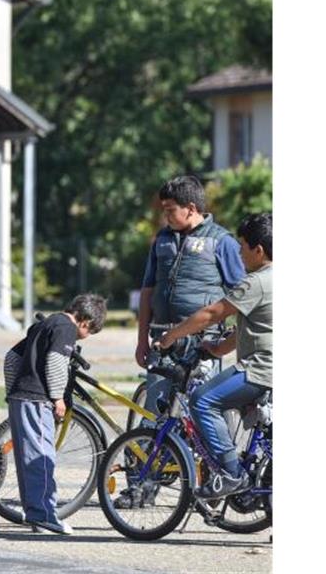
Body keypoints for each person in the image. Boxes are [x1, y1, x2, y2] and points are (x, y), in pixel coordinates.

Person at [160, 212, 272, 500]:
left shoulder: (256, 282)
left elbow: (211, 313)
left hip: (261, 369)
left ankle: (231, 474)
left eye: (243, 246)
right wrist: (218, 349)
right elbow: (257, 326)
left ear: (258, 251)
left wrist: (172, 335)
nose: (238, 252)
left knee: (203, 399)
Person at [135, 176, 246, 420]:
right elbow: (147, 292)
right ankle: (151, 458)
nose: (165, 216)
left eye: (170, 210)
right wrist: (142, 339)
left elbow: (243, 295)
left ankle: (202, 458)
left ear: (191, 209)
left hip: (202, 345)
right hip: (161, 341)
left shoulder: (222, 241)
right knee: (156, 412)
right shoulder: (161, 240)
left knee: (199, 413)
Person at [3, 295, 107, 535]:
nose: (86, 337)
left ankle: (34, 512)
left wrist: (13, 391)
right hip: (38, 399)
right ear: (85, 322)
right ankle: (45, 516)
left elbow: (11, 359)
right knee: (42, 458)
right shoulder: (66, 328)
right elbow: (56, 362)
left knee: (27, 460)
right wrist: (58, 397)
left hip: (20, 398)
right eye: (90, 332)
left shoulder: (45, 323)